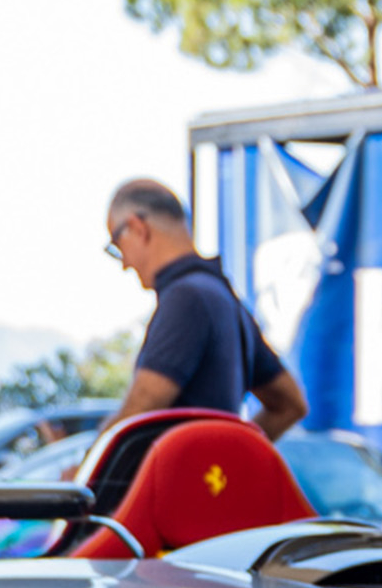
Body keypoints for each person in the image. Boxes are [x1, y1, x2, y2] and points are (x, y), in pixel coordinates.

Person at [103, 178, 307, 441]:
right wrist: (230, 456)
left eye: (117, 246)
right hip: (210, 480)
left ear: (137, 227)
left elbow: (138, 412)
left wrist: (82, 470)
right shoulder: (225, 300)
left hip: (177, 482)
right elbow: (290, 405)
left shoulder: (186, 298)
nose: (125, 264)